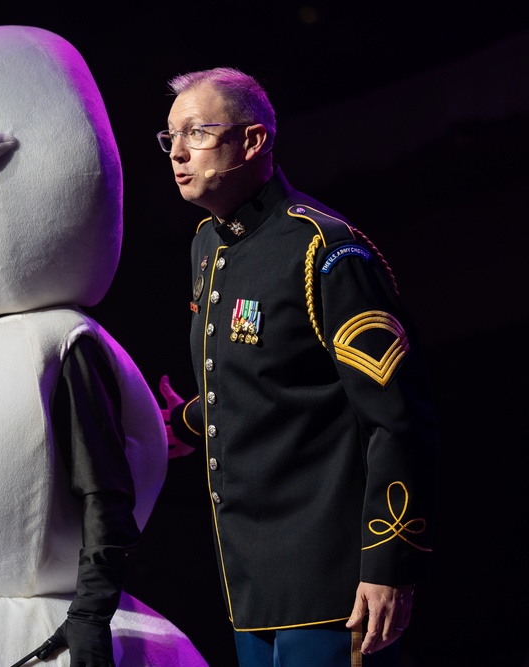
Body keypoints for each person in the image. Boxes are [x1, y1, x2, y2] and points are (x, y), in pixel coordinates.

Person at [154, 66, 438, 667]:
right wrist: (185, 423)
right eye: (170, 136)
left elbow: (398, 418)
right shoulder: (208, 244)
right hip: (249, 584)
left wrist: (389, 563)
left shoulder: (326, 249)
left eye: (197, 133)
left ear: (253, 141)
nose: (177, 152)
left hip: (336, 583)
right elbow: (267, 383)